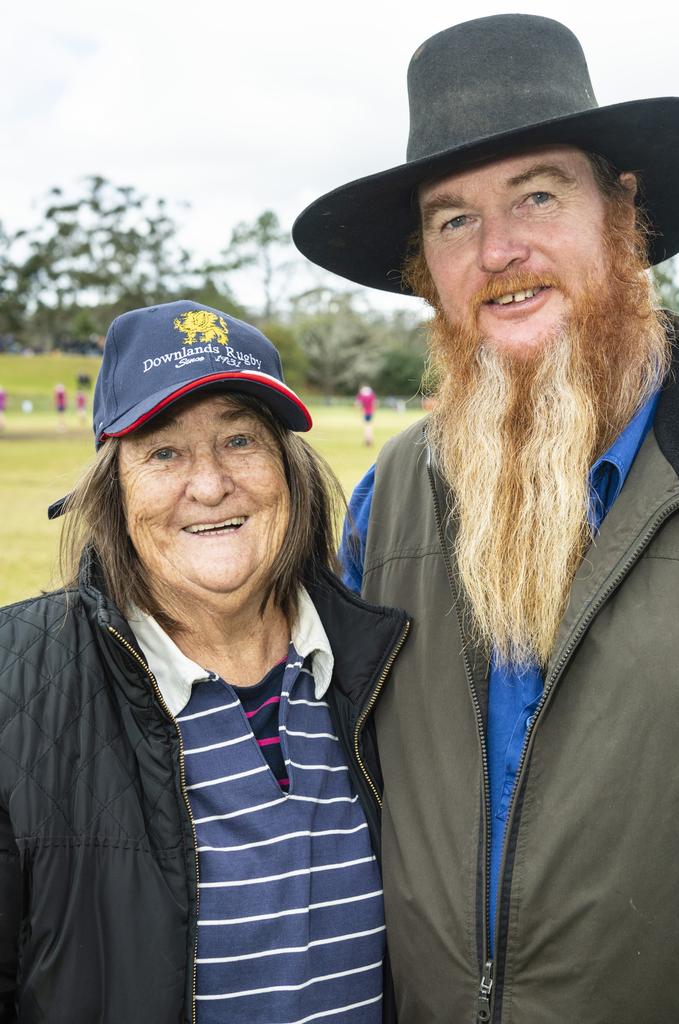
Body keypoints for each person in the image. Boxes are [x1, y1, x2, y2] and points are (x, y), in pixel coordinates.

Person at [292, 15, 679, 1024]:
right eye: (452, 219)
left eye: (538, 194)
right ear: (425, 262)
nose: (498, 249)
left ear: (621, 213)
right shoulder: (390, 501)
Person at [0, 300, 408, 1023]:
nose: (211, 484)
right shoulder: (15, 683)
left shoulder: (380, 664)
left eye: (241, 440)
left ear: (288, 468)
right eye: (163, 451)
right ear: (113, 485)